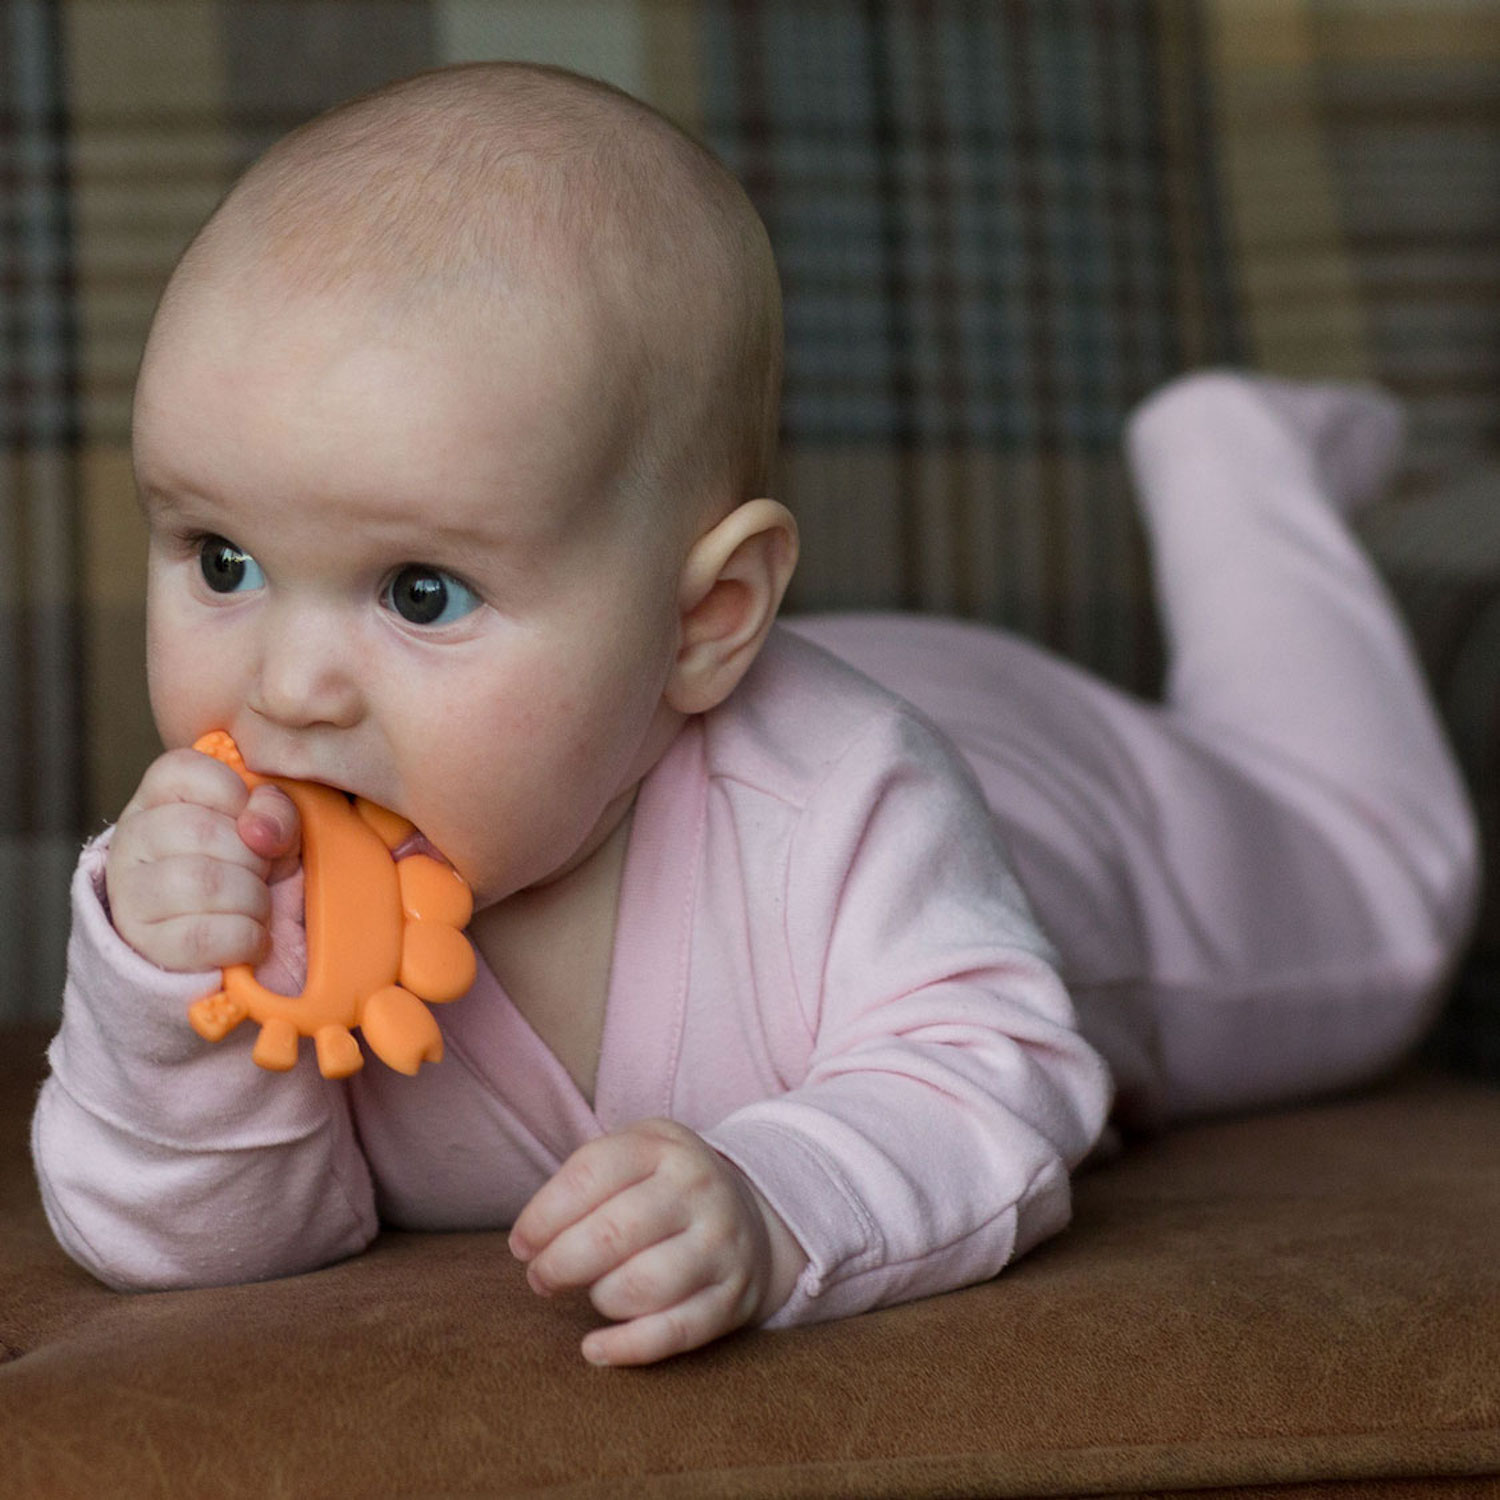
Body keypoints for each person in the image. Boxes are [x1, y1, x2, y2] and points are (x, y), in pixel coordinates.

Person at [32, 62, 1478, 1368]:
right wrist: (170, 1007)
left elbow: (999, 1076)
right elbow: (206, 1245)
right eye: (222, 561)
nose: (285, 690)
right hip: (701, 702)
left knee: (1384, 886)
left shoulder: (848, 809)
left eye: (420, 593)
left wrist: (784, 1197)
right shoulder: (241, 873)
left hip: (1045, 790)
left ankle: (1235, 469)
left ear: (707, 619)